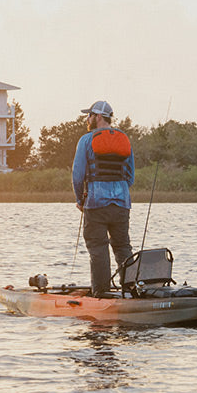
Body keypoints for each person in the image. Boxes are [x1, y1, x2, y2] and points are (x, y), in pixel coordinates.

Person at [72, 100, 135, 297]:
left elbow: (77, 175)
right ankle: (130, 290)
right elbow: (130, 176)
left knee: (98, 248)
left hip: (95, 204)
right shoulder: (124, 139)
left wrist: (80, 201)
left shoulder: (85, 140)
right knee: (123, 247)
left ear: (98, 116)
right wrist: (119, 192)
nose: (87, 119)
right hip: (122, 203)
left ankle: (101, 294)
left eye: (89, 115)